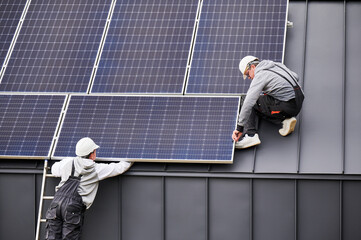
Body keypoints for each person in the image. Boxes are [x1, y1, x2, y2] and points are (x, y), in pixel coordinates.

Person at [45, 137, 133, 240]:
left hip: (55, 205)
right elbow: (118, 168)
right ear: (91, 154)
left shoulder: (68, 162)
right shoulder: (95, 169)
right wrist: (131, 158)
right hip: (72, 209)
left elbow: (54, 169)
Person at [232, 56, 304, 149]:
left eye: (248, 74)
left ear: (253, 67)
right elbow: (296, 77)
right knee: (264, 96)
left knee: (246, 99)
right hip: (299, 99)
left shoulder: (260, 75)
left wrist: (240, 127)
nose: (249, 77)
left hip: (287, 105)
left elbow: (248, 102)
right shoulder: (276, 65)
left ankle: (251, 135)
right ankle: (285, 120)